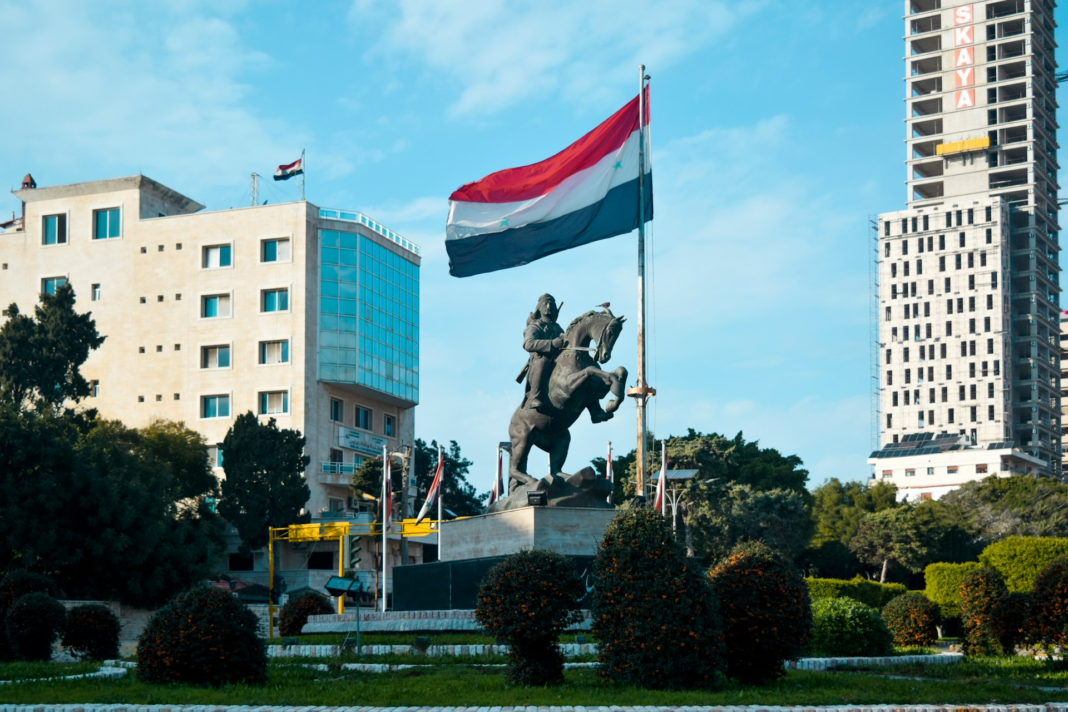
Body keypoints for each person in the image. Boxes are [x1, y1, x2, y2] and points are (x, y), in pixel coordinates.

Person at [521, 294, 565, 410]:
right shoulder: (535, 326)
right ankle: (534, 397)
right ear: (539, 308)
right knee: (543, 362)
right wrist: (551, 344)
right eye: (545, 303)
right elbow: (528, 344)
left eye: (551, 304)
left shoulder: (558, 328)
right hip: (539, 361)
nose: (548, 306)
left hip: (556, 360)